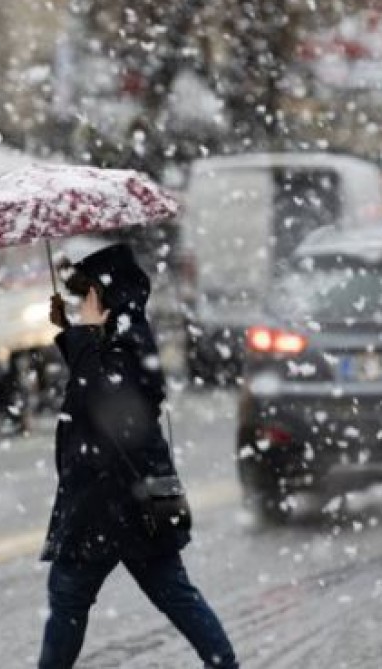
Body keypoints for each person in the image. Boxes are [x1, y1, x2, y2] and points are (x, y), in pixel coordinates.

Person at [38, 243, 237, 668]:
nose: (82, 299)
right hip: (128, 499)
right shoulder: (125, 330)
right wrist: (73, 330)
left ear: (103, 292)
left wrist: (82, 334)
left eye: (86, 291)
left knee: (70, 598)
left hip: (107, 502)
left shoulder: (125, 336)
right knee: (174, 595)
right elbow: (99, 383)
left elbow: (102, 396)